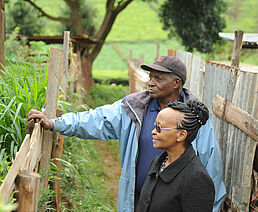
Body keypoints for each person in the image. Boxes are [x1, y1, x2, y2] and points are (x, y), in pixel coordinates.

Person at [27, 56, 226, 212]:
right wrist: (56, 123)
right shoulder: (135, 108)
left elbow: (212, 170)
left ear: (176, 83)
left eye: (159, 78)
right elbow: (96, 119)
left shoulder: (193, 119)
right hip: (138, 199)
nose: (151, 82)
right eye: (150, 77)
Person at [139, 100, 215, 212]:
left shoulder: (197, 178)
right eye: (155, 126)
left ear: (181, 135)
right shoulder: (157, 163)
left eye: (159, 128)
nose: (153, 132)